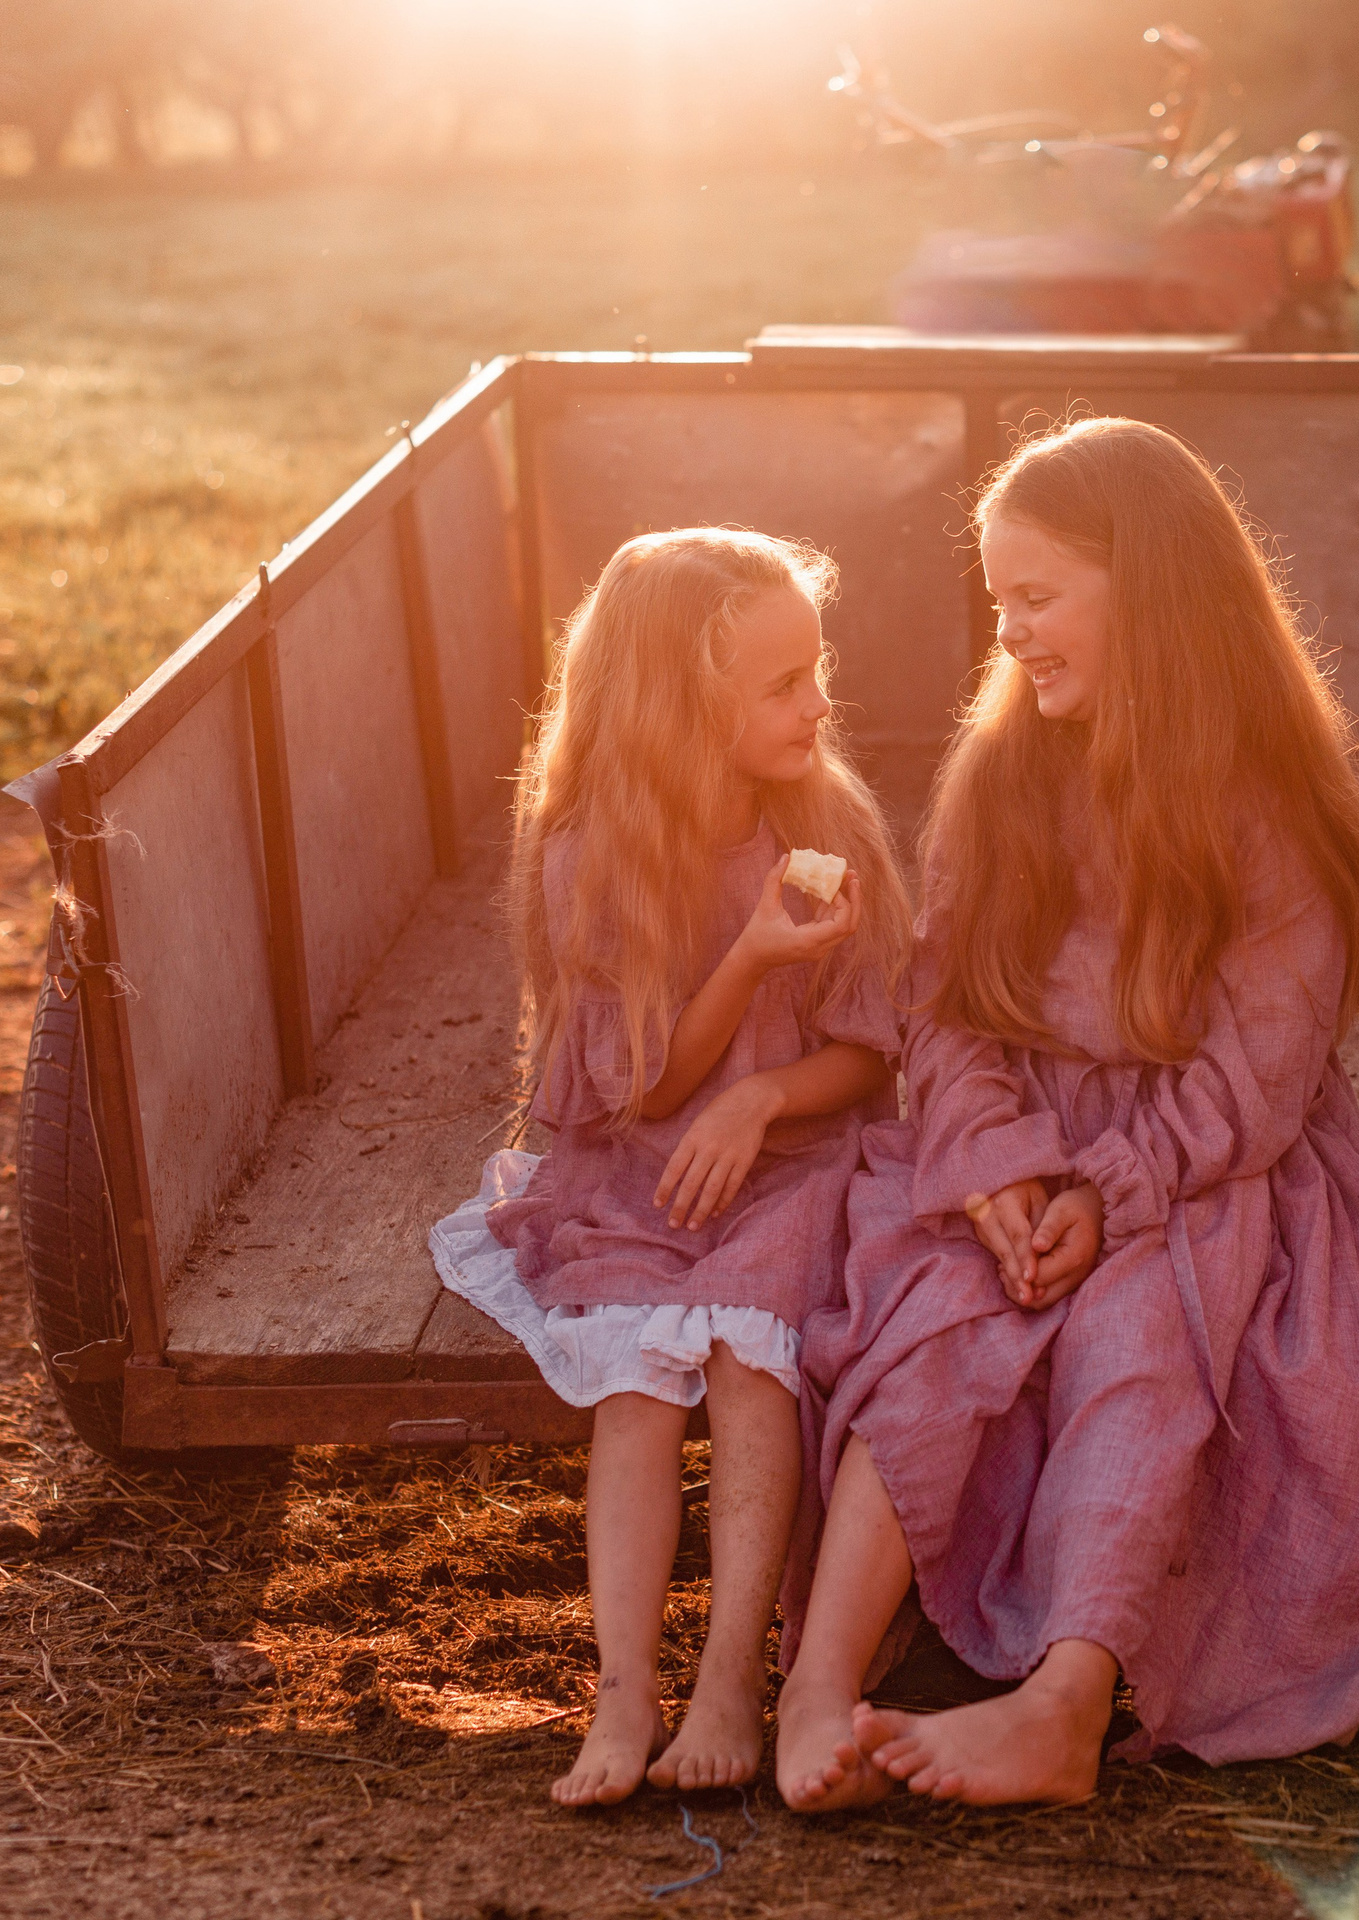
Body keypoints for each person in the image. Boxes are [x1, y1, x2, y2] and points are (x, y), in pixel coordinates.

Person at [774, 418, 1359, 1811]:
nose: (1009, 633)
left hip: (1201, 1166)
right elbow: (943, 1006)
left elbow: (1255, 1080)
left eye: (1038, 597)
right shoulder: (1006, 772)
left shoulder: (1269, 801)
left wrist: (1103, 1196)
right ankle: (818, 1688)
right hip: (1020, 1145)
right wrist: (1000, 1167)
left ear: (1152, 591)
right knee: (935, 1318)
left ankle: (1064, 1705)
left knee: (1148, 1335)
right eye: (998, 598)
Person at [430, 528, 910, 1807]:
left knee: (757, 1362)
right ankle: (623, 1686)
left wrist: (764, 1093)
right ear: (682, 708)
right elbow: (629, 1086)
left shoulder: (828, 823)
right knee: (638, 1392)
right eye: (781, 685)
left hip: (796, 1166)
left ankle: (729, 1681)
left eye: (817, 670)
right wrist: (749, 957)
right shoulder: (593, 852)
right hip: (634, 1164)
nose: (818, 704)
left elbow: (872, 1053)